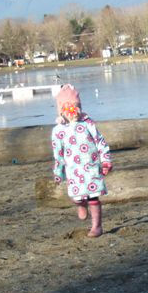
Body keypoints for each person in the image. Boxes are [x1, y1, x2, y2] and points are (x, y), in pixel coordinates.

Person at [51, 84, 112, 237]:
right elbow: (58, 154)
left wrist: (105, 161)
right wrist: (58, 172)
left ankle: (97, 226)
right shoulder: (58, 131)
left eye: (75, 107)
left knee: (93, 196)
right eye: (67, 108)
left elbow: (100, 142)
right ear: (61, 111)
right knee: (76, 196)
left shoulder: (87, 124)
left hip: (91, 167)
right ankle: (80, 204)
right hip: (73, 171)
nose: (72, 111)